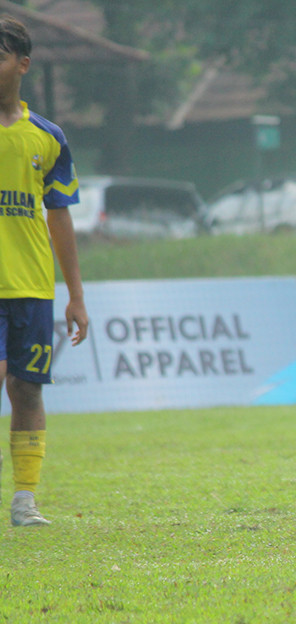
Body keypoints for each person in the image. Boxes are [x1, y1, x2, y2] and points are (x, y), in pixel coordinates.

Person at [0, 15, 88, 527]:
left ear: (22, 65)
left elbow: (60, 217)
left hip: (31, 285)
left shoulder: (48, 138)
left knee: (27, 389)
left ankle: (23, 500)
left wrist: (75, 296)